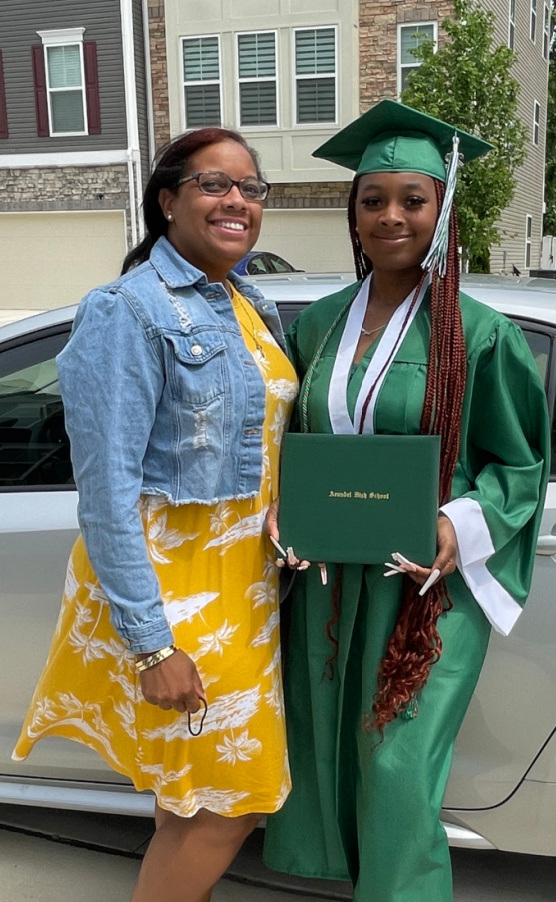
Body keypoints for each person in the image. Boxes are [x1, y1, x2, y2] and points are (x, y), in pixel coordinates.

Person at [261, 101, 551, 901]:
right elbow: (289, 441)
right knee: (336, 759)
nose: (391, 216)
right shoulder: (318, 326)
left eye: (412, 200)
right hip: (330, 585)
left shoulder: (477, 334)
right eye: (373, 200)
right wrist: (283, 506)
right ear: (353, 214)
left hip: (424, 590)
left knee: (396, 772)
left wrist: (458, 525)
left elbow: (519, 466)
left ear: (442, 210)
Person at [12, 128, 294, 901]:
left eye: (251, 188)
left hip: (245, 592)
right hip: (179, 598)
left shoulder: (247, 302)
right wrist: (150, 645)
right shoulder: (126, 311)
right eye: (214, 184)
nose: (237, 200)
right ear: (167, 200)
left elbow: (261, 449)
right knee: (229, 803)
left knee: (196, 799)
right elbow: (105, 492)